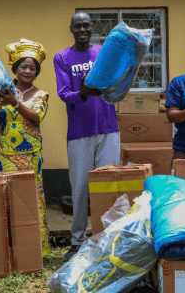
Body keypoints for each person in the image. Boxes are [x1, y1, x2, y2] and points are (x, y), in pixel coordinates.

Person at [53, 13, 120, 260]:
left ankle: (108, 238)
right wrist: (82, 92)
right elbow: (64, 94)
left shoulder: (102, 52)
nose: (82, 29)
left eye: (86, 25)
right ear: (71, 29)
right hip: (79, 131)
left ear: (92, 28)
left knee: (109, 185)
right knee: (80, 188)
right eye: (77, 25)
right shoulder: (62, 57)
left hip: (108, 128)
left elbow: (114, 83)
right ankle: (77, 241)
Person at [0, 38, 51, 255]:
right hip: (6, 155)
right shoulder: (3, 92)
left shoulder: (41, 95)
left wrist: (14, 102)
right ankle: (10, 248)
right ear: (15, 68)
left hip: (31, 158)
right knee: (5, 200)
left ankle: (36, 248)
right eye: (24, 66)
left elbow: (36, 117)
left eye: (33, 68)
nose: (28, 70)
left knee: (32, 199)